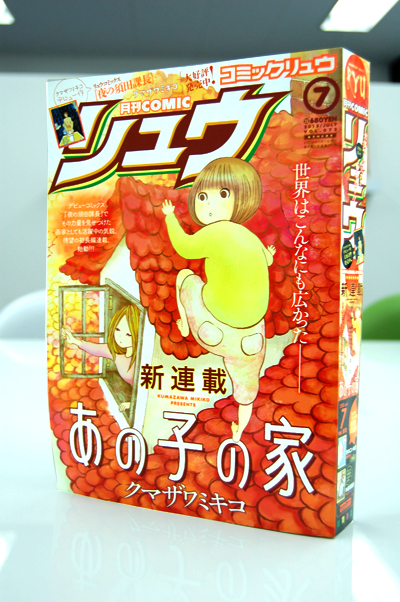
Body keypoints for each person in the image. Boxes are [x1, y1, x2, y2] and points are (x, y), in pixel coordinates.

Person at [162, 157, 276, 442]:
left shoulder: (215, 231)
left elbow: (184, 247)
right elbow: (268, 259)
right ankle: (240, 433)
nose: (209, 204)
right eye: (202, 197)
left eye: (222, 194)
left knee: (186, 278)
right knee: (247, 387)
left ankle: (186, 325)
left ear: (242, 199)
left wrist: (169, 217)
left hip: (212, 326)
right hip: (251, 336)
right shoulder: (250, 237)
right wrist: (268, 253)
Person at [62, 304, 140, 411]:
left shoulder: (142, 356)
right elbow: (95, 348)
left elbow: (150, 388)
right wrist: (74, 340)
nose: (120, 337)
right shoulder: (116, 351)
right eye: (118, 330)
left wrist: (134, 403)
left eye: (128, 334)